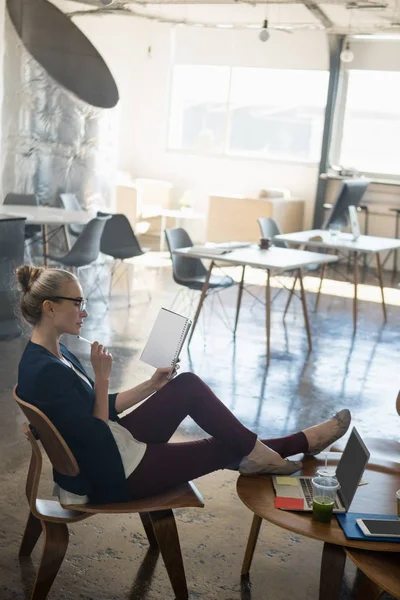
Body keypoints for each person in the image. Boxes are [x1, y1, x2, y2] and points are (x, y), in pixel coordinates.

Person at [16, 266, 351, 506]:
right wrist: (102, 378)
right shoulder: (45, 371)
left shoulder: (52, 354)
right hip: (112, 472)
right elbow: (95, 429)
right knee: (223, 447)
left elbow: (97, 410)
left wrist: (151, 385)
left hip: (113, 448)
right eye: (77, 303)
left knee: (187, 385)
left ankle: (272, 450)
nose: (84, 313)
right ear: (50, 307)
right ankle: (294, 445)